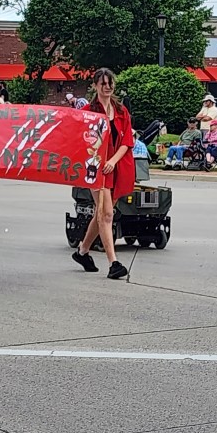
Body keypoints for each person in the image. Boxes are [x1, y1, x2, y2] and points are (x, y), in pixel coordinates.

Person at [71, 67, 134, 280]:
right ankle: (113, 262)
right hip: (95, 168)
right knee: (106, 214)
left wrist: (113, 161)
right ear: (96, 86)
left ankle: (82, 251)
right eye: (103, 83)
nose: (107, 87)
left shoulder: (121, 111)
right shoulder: (89, 112)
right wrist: (101, 162)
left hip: (115, 166)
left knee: (102, 212)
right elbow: (81, 140)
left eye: (110, 83)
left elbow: (127, 141)